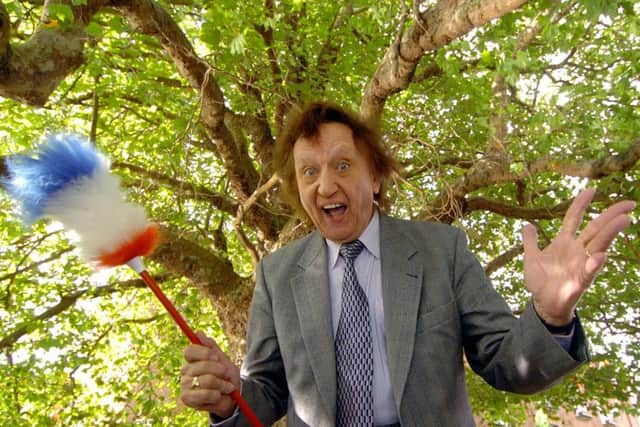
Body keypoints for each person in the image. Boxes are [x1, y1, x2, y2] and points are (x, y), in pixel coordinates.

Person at [179, 102, 635, 426]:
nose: (324, 186)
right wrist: (228, 399)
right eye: (309, 172)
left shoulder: (443, 250)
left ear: (374, 176)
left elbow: (505, 362)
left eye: (342, 165)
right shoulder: (277, 276)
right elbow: (268, 393)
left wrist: (551, 315)